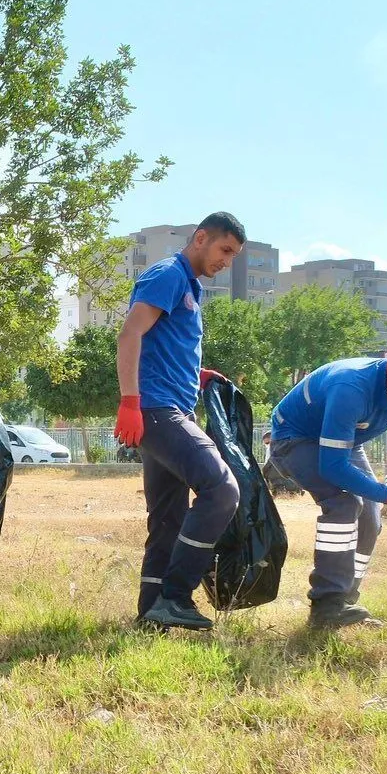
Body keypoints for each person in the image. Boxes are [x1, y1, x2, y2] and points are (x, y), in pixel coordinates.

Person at [112, 212, 247, 631]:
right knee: (222, 489)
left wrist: (198, 374)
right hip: (155, 409)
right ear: (201, 238)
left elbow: (164, 341)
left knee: (168, 516)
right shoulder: (168, 274)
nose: (227, 261)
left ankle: (152, 612)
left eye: (234, 256)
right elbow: (130, 334)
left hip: (170, 405)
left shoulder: (189, 286)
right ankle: (175, 596)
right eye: (224, 250)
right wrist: (130, 403)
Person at [268, 336, 387, 630]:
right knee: (343, 503)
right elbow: (333, 466)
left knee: (370, 518)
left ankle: (346, 601)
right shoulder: (350, 386)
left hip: (345, 443)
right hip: (294, 439)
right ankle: (326, 606)